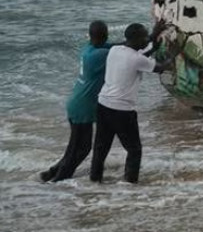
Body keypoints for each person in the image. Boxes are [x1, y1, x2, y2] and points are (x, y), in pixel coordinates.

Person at [89, 21, 171, 184]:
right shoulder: (136, 59)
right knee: (134, 150)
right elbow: (161, 67)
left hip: (103, 105)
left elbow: (139, 57)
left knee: (101, 147)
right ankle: (129, 184)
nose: (146, 38)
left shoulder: (114, 50)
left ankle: (94, 180)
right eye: (144, 36)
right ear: (137, 39)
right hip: (122, 111)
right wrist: (175, 53)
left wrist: (153, 42)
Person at [40, 21, 111, 183]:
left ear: (90, 35)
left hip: (77, 102)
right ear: (106, 34)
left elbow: (116, 45)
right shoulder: (100, 55)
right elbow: (125, 48)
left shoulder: (89, 49)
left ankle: (51, 173)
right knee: (80, 149)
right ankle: (58, 181)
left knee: (74, 147)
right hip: (83, 106)